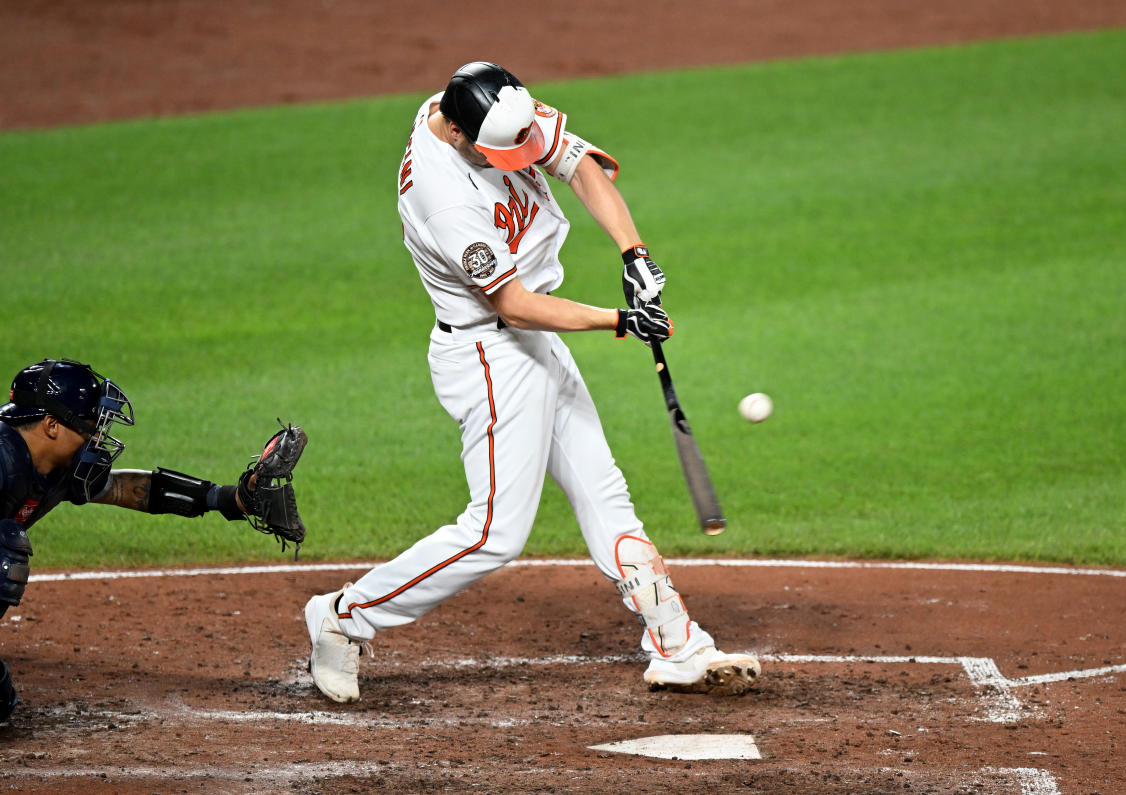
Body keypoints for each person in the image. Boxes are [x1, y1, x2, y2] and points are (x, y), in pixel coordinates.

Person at [303, 62, 761, 704]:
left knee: (605, 493)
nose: (519, 156)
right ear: (460, 134)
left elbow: (577, 164)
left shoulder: (487, 102)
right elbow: (514, 305)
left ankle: (676, 642)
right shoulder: (443, 196)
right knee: (494, 532)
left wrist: (635, 256)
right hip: (490, 355)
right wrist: (619, 319)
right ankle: (342, 618)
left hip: (534, 341)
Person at [0, 357, 307, 724]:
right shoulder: (4, 460)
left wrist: (228, 499)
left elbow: (123, 489)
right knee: (5, 551)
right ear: (51, 425)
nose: (97, 438)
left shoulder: (61, 465)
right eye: (89, 427)